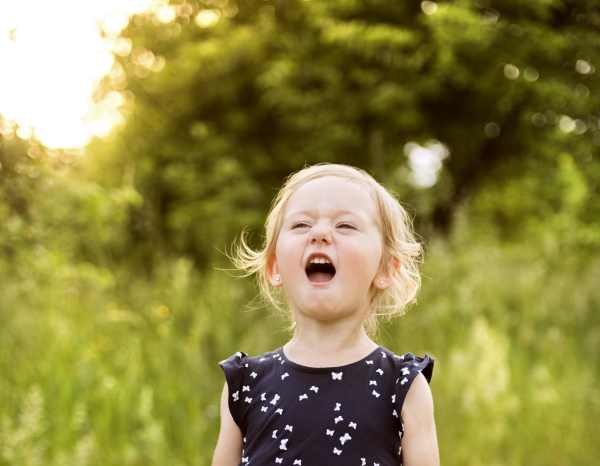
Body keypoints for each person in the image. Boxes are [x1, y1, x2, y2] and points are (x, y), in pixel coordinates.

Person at [212, 164, 439, 466]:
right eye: (301, 225)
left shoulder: (403, 387)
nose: (319, 233)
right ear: (275, 266)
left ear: (385, 268)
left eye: (345, 225)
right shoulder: (245, 385)